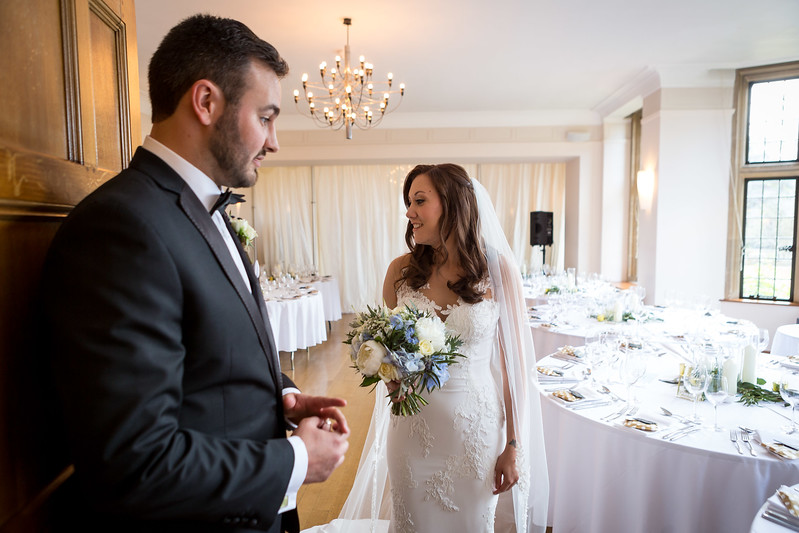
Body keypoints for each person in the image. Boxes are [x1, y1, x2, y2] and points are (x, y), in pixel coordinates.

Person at [40, 14, 349, 533]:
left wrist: (282, 398)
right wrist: (296, 462)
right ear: (206, 102)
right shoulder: (121, 227)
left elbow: (211, 358)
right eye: (267, 117)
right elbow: (133, 463)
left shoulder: (202, 211)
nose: (275, 143)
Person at [310, 164, 548, 533]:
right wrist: (389, 378)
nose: (409, 213)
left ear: (453, 204)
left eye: (420, 201)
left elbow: (515, 369)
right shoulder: (399, 272)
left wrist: (513, 445)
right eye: (408, 202)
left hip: (476, 433)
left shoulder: (498, 271)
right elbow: (388, 349)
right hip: (411, 427)